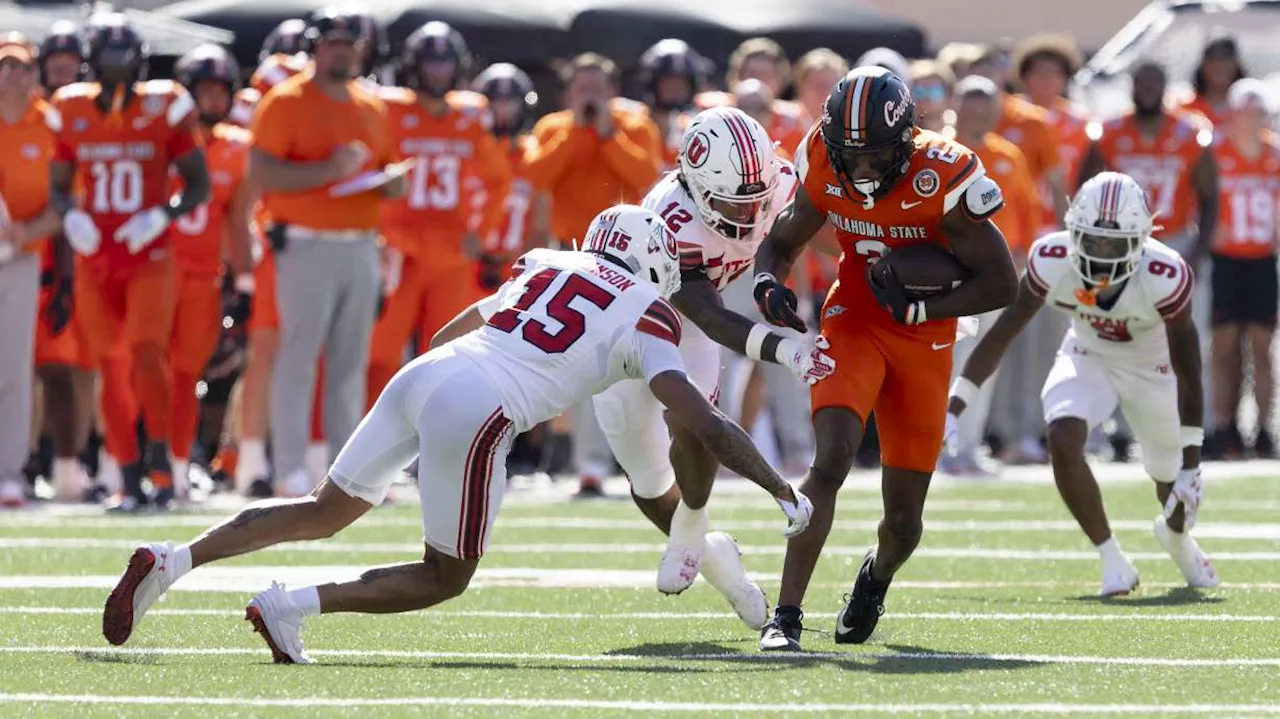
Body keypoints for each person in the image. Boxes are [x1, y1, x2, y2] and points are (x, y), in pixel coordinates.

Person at [100, 204, 814, 663]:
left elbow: (466, 322)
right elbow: (703, 420)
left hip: (432, 371)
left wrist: (425, 393)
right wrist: (779, 485)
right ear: (655, 260)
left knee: (322, 507)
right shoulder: (649, 315)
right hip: (479, 403)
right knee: (446, 576)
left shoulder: (546, 263)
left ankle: (174, 559)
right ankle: (290, 603)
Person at [752, 66, 1017, 651]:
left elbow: (1002, 283)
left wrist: (928, 309)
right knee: (832, 458)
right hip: (855, 317)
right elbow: (781, 240)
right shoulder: (823, 156)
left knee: (904, 522)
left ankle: (875, 577)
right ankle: (786, 617)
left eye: (875, 155)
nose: (862, 169)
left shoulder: (944, 173)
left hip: (926, 336)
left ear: (904, 141)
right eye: (853, 155)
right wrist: (768, 284)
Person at [592, 107, 831, 628]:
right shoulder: (669, 218)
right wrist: (785, 349)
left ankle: (693, 523)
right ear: (694, 185)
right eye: (730, 204)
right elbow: (708, 313)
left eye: (756, 202)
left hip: (690, 332)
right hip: (641, 321)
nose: (748, 218)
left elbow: (819, 234)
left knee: (696, 426)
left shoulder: (778, 178)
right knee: (650, 483)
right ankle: (716, 556)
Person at [945, 172, 1218, 595]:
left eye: (1114, 244)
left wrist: (1192, 461)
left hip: (1154, 369)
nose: (1102, 255)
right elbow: (1003, 332)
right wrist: (955, 405)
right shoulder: (1052, 259)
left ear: (1141, 240)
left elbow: (1188, 367)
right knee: (1062, 434)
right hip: (1088, 356)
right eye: (1092, 241)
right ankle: (1112, 559)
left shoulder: (1166, 274)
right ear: (1073, 232)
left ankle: (1178, 539)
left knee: (1173, 487)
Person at [49, 13, 211, 511]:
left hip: (149, 254)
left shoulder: (165, 105)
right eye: (109, 56)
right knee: (109, 365)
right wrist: (70, 213)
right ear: (92, 61)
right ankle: (126, 476)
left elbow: (198, 184)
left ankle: (161, 466)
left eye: (125, 56)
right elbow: (57, 185)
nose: (118, 66)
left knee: (146, 353)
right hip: (97, 256)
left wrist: (163, 214)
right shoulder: (70, 109)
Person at [251, 5, 404, 498]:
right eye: (334, 41)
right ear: (315, 45)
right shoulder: (285, 100)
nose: (343, 49)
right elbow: (263, 176)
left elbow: (378, 169)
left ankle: (351, 473)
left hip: (360, 242)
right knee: (298, 356)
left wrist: (392, 185)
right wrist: (328, 171)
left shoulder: (371, 105)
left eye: (350, 41)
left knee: (350, 362)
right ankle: (288, 466)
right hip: (304, 242)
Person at [522, 51, 663, 494]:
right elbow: (536, 176)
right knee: (576, 361)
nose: (590, 96)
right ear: (568, 92)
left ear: (612, 90)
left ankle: (638, 461)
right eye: (582, 88)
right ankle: (588, 463)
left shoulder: (635, 124)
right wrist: (579, 134)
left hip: (626, 258)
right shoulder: (553, 127)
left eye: (597, 88)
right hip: (571, 256)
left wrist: (605, 133)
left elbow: (644, 173)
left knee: (630, 362)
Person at [369, 22, 512, 408]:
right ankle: (371, 442)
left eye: (444, 64)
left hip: (450, 252)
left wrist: (480, 233)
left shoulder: (470, 113)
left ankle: (429, 443)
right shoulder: (389, 108)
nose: (437, 72)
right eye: (430, 64)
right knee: (380, 354)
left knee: (445, 353)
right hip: (399, 246)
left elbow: (499, 180)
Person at [939, 76, 1039, 476]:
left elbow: (1027, 215)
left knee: (983, 364)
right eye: (972, 107)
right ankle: (944, 446)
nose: (979, 115)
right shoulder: (939, 151)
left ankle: (969, 443)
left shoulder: (1008, 156)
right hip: (948, 272)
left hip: (994, 276)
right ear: (956, 107)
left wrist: (1016, 264)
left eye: (987, 108)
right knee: (949, 362)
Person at [169, 44, 254, 491]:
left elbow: (238, 220)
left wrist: (243, 282)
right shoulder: (164, 139)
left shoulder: (237, 147)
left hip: (205, 278)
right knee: (141, 368)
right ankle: (126, 460)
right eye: (205, 90)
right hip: (158, 272)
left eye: (221, 91)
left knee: (188, 373)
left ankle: (178, 461)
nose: (214, 100)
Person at [29, 22, 94, 501]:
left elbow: (72, 201)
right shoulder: (33, 115)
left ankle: (75, 460)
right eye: (55, 57)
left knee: (69, 370)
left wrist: (69, 275)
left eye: (71, 59)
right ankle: (29, 459)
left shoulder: (85, 114)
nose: (62, 66)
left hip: (73, 254)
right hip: (33, 252)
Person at [0, 34, 64, 507]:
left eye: (20, 66)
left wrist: (27, 231)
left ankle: (9, 471)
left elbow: (65, 199)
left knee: (14, 368)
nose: (11, 74)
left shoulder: (51, 123)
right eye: (4, 65)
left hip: (22, 255)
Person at [1205, 79, 1280, 458]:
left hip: (1263, 260)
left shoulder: (1275, 153)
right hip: (1227, 259)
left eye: (1261, 113)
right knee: (1225, 345)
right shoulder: (1215, 153)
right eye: (1249, 112)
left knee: (1263, 345)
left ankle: (1264, 428)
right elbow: (1200, 199)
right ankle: (1223, 425)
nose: (1256, 119)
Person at [638, 39, 708, 171]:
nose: (675, 90)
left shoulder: (694, 128)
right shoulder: (632, 123)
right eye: (668, 83)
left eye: (681, 83)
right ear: (652, 84)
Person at [1181, 35, 1247, 127]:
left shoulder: (1250, 113)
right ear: (1203, 65)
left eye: (1226, 59)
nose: (1219, 65)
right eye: (1213, 59)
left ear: (1237, 65)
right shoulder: (1184, 111)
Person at [791, 49, 847, 131]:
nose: (822, 92)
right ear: (800, 88)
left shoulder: (851, 128)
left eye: (828, 85)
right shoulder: (783, 123)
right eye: (815, 85)